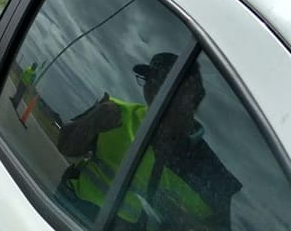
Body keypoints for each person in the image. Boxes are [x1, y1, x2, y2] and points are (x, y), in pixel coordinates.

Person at [56, 53, 240, 229]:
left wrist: (187, 224)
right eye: (148, 79)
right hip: (66, 214)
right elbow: (64, 145)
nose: (151, 87)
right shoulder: (116, 112)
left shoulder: (215, 175)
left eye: (163, 81)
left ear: (192, 94)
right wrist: (91, 124)